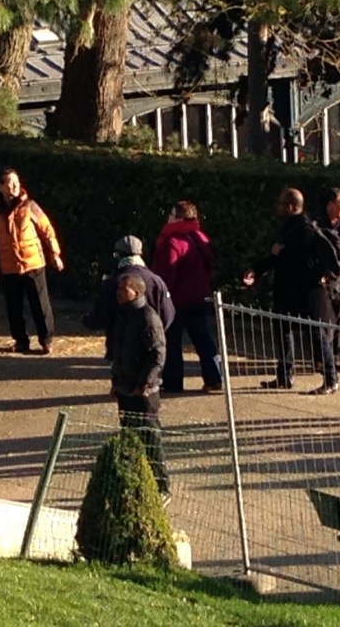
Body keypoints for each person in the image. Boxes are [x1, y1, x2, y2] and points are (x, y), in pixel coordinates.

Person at [242, 188, 339, 395]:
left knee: (317, 334)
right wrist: (257, 269)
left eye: (281, 204)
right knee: (284, 329)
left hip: (307, 290)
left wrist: (319, 275)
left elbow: (306, 257)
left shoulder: (303, 228)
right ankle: (285, 375)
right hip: (292, 289)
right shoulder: (291, 227)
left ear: (291, 206)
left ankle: (331, 379)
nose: (278, 208)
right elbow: (279, 256)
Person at [0, 167, 64, 355]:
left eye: (16, 182)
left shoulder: (30, 206)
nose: (14, 186)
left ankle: (46, 340)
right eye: (9, 183)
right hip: (8, 266)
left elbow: (47, 230)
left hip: (33, 263)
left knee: (40, 304)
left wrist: (55, 254)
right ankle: (21, 341)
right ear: (0, 187)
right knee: (13, 307)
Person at [151, 201, 222, 393]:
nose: (169, 217)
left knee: (172, 342)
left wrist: (160, 298)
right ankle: (214, 378)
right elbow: (209, 264)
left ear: (179, 218)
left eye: (172, 214)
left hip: (176, 300)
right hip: (198, 297)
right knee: (203, 337)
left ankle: (173, 383)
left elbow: (166, 273)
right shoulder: (200, 237)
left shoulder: (171, 241)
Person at [110, 274, 169, 499]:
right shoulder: (123, 316)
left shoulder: (147, 318)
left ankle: (162, 487)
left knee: (151, 439)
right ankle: (132, 481)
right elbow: (119, 353)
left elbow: (158, 354)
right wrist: (115, 382)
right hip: (125, 388)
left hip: (144, 393)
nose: (118, 294)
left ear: (136, 292)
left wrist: (144, 383)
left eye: (123, 290)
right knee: (129, 437)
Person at [82, 235, 174, 361]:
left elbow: (101, 315)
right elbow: (168, 314)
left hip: (120, 349)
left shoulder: (112, 283)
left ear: (119, 256)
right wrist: (157, 333)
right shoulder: (156, 281)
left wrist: (87, 321)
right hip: (151, 347)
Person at [315, 188, 340, 370]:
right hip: (325, 283)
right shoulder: (317, 227)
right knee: (326, 324)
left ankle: (335, 358)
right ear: (330, 205)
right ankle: (323, 360)